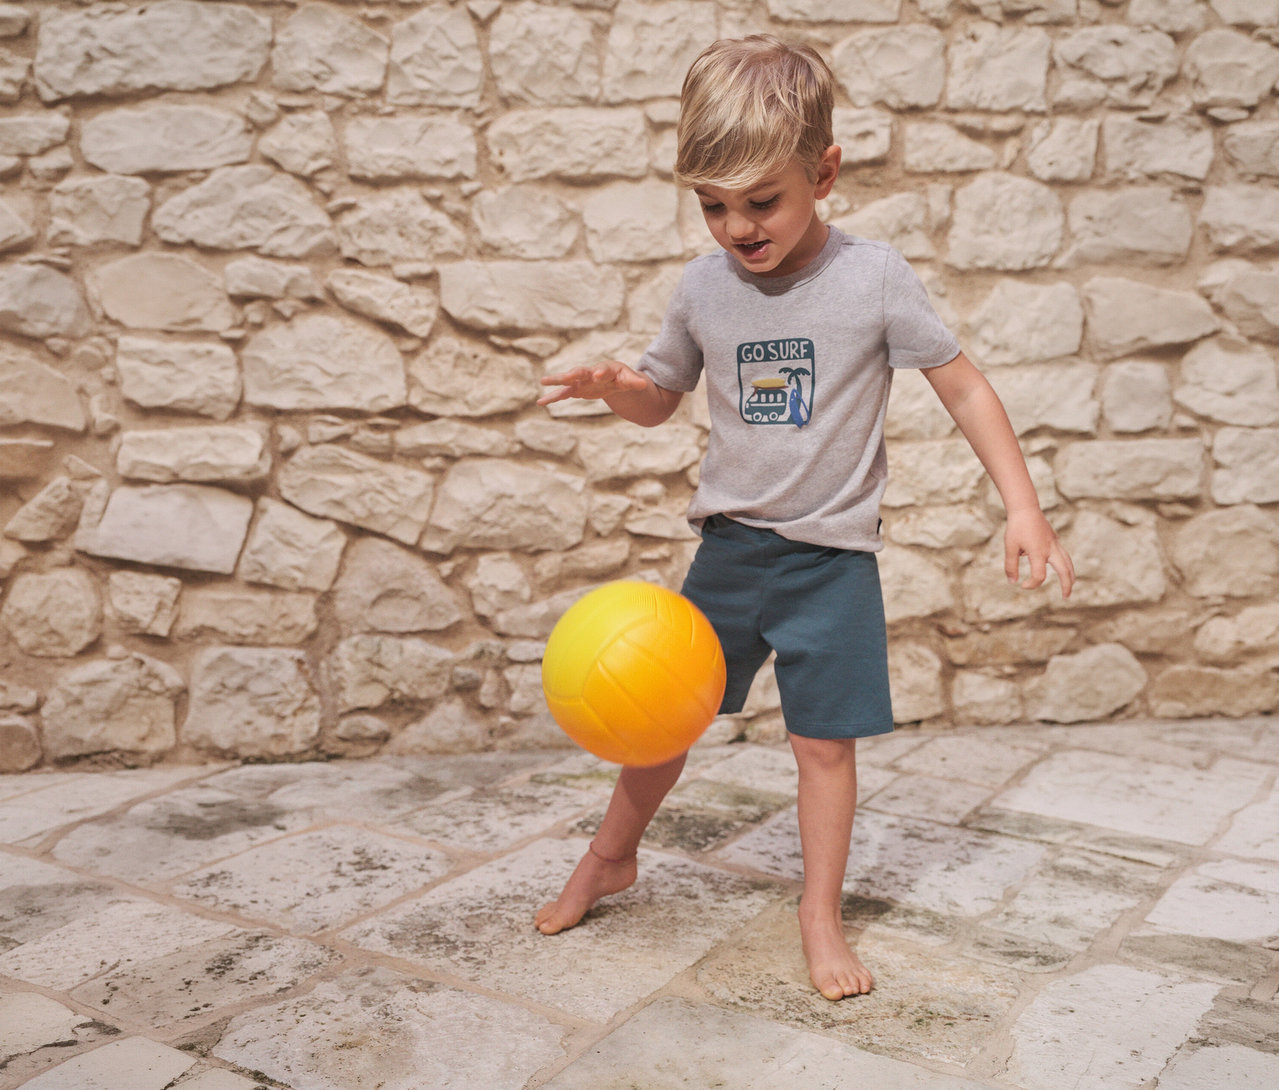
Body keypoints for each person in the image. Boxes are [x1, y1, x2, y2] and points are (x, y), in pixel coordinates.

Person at [534, 34, 1074, 1001]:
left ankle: (817, 913)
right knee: (665, 723)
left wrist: (1022, 505)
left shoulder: (872, 279)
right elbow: (660, 398)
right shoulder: (701, 289)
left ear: (823, 173)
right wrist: (617, 384)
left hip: (831, 561)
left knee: (823, 745)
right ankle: (609, 856)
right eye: (712, 205)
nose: (736, 226)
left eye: (761, 201)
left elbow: (963, 386)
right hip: (730, 553)